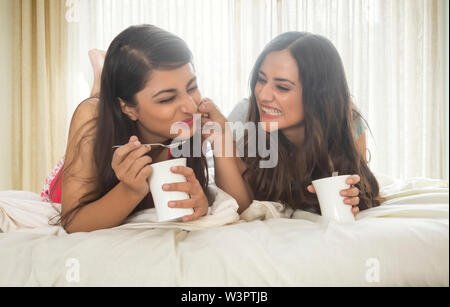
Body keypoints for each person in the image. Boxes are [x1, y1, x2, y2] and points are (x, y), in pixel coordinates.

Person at [42, 25, 211, 233]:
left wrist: (200, 202)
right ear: (128, 108)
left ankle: (103, 78)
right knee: (96, 106)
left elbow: (202, 196)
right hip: (88, 167)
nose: (191, 107)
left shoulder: (192, 122)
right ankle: (99, 77)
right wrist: (130, 190)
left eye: (192, 87)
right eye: (167, 98)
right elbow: (74, 222)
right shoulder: (91, 117)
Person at [196, 31, 381, 215]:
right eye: (261, 79)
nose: (262, 95)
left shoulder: (348, 120)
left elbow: (362, 187)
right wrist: (221, 139)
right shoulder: (245, 116)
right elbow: (240, 204)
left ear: (318, 97)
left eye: (282, 87)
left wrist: (353, 196)